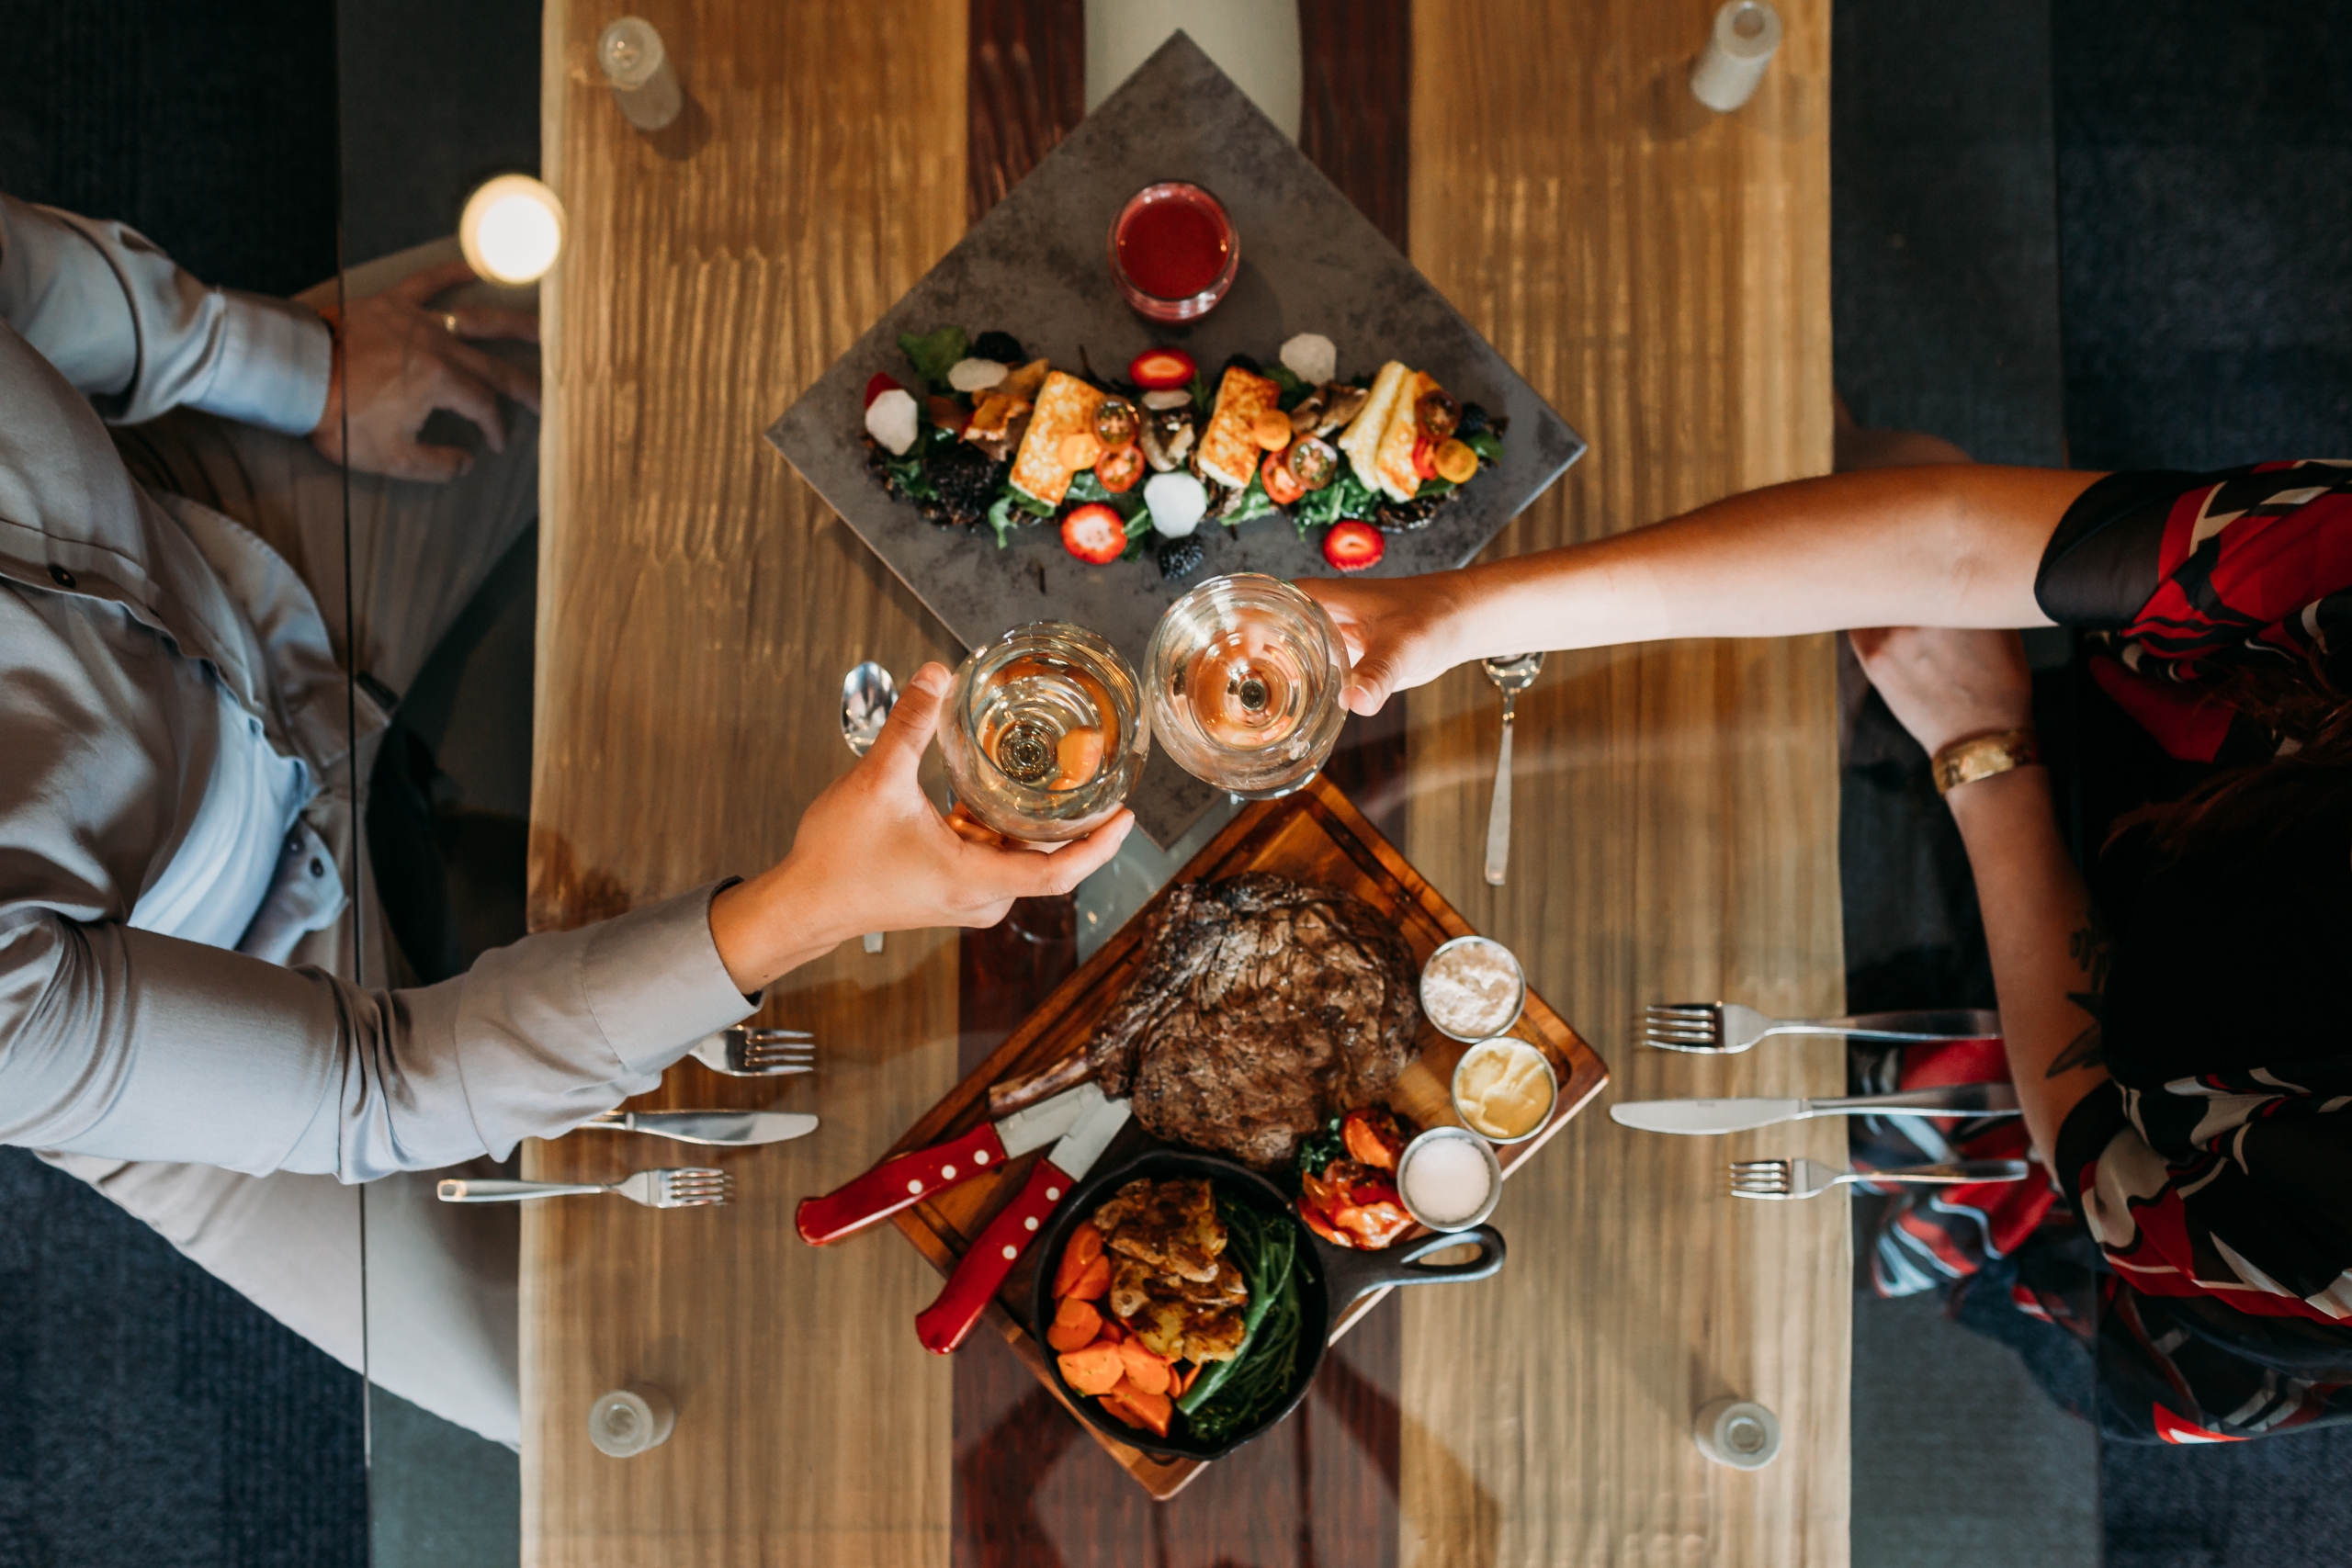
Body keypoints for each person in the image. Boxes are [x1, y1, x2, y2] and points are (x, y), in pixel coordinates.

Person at [0, 194, 1131, 1442]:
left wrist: (281, 360)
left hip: (215, 538)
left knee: (678, 294)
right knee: (609, 1392)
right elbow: (381, 1083)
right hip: (205, 980)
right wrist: (807, 902)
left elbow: (28, 276)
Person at [1303, 455, 2352, 1443]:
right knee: (1893, 465)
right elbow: (1949, 544)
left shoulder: (2308, 1243)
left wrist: (1983, 760)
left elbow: (2096, 1159)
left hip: (2155, 1230)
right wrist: (1463, 610)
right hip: (2160, 741)